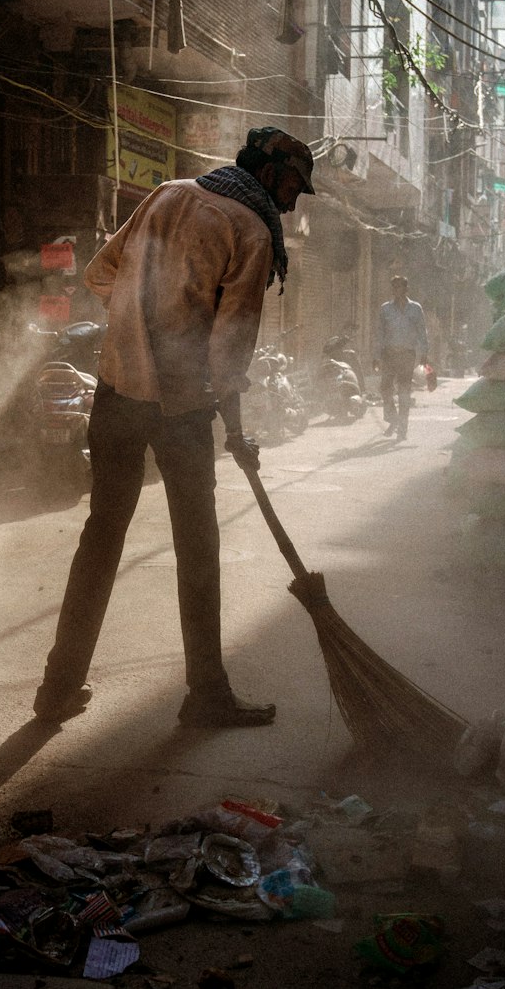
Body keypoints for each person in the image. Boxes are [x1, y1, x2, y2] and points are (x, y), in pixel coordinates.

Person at [32, 126, 315, 730]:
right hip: (180, 405)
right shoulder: (251, 229)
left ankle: (58, 687)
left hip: (115, 390)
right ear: (267, 172)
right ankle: (207, 694)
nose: (293, 200)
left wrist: (140, 324)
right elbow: (231, 343)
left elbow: (101, 275)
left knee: (101, 533)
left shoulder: (166, 192)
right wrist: (233, 425)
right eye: (292, 184)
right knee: (198, 544)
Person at [373, 274, 428, 440]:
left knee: (404, 392)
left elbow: (422, 332)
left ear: (406, 289)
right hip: (389, 355)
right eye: (394, 287)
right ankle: (393, 419)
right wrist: (376, 355)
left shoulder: (416, 308)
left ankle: (402, 428)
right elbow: (380, 334)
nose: (396, 290)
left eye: (399, 287)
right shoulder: (385, 309)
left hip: (407, 355)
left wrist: (424, 352)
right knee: (385, 389)